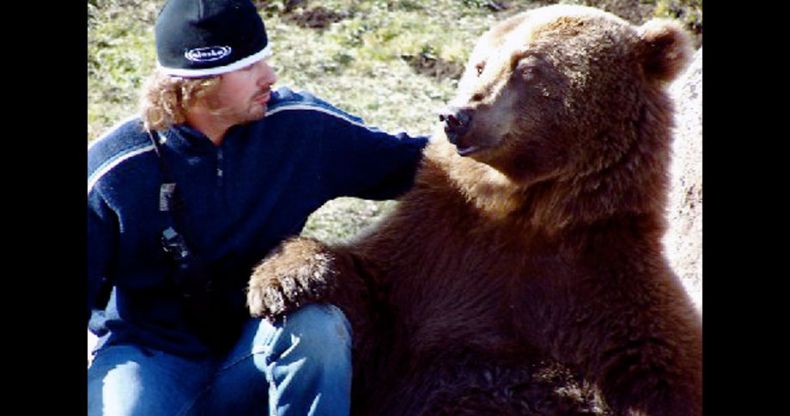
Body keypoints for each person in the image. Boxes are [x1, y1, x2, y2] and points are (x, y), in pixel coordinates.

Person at [87, 0, 428, 414]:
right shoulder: (115, 170)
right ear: (197, 83)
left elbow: (419, 165)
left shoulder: (301, 128)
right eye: (248, 66)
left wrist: (504, 140)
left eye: (264, 59)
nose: (269, 76)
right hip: (151, 356)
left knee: (318, 328)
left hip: (255, 345)